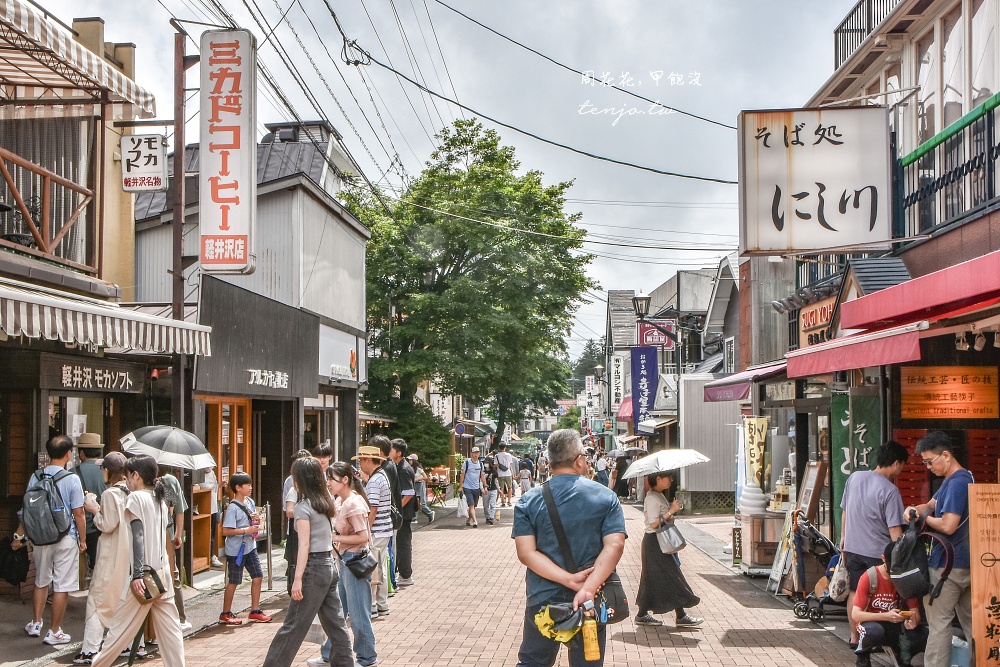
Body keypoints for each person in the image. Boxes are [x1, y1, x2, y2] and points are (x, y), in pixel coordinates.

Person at [512, 429, 627, 667]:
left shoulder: (528, 500)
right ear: (580, 460)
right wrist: (587, 586)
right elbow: (615, 545)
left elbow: (526, 553)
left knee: (534, 662)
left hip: (543, 597)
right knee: (588, 662)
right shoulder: (605, 497)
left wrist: (567, 579)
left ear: (550, 462)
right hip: (589, 599)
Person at [90, 454, 185, 667]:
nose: (127, 481)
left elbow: (138, 536)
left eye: (128, 477)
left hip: (144, 579)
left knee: (117, 634)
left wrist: (137, 574)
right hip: (162, 576)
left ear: (136, 475)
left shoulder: (136, 498)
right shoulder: (160, 497)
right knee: (171, 634)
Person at [261, 458, 354, 667]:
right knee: (336, 625)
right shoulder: (325, 502)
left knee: (293, 626)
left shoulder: (303, 508)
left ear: (300, 479)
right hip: (329, 566)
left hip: (313, 569)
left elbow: (304, 546)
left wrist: (297, 579)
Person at [906, 431, 974, 667]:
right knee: (974, 625)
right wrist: (917, 508)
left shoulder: (957, 483)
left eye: (929, 461)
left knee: (939, 624)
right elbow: (931, 504)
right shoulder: (959, 479)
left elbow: (948, 524)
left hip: (946, 566)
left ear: (945, 455)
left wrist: (921, 518)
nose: (927, 466)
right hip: (966, 564)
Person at [12, 434, 86, 646]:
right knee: (62, 585)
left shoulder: (35, 476)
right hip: (65, 537)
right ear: (68, 454)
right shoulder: (72, 479)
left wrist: (20, 536)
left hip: (40, 537)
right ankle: (54, 631)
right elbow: (79, 512)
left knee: (41, 580)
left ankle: (36, 623)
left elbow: (27, 510)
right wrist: (82, 540)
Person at [308, 462, 378, 667]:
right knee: (336, 613)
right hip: (344, 562)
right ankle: (329, 653)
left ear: (345, 480)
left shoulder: (353, 504)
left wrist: (333, 538)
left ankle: (367, 658)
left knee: (357, 615)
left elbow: (364, 537)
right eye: (327, 478)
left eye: (332, 479)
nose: (328, 483)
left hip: (354, 563)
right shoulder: (341, 500)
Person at [839, 440, 908, 646]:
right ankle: (878, 639)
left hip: (852, 547)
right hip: (877, 553)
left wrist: (843, 537)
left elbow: (844, 510)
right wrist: (899, 556)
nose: (902, 469)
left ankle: (855, 637)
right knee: (882, 595)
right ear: (896, 463)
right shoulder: (890, 491)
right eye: (902, 465)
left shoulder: (854, 477)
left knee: (855, 592)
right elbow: (895, 530)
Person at [73, 452, 131, 664]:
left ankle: (89, 650)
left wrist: (94, 509)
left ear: (107, 470)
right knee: (120, 600)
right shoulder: (131, 491)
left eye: (103, 469)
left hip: (110, 554)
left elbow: (107, 525)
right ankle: (125, 644)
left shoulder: (110, 494)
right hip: (127, 555)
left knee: (97, 601)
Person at [634, 471, 703, 627]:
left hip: (657, 541)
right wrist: (670, 511)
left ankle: (642, 613)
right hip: (655, 542)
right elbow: (652, 523)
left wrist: (670, 514)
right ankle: (681, 615)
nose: (671, 480)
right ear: (658, 479)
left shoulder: (658, 495)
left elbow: (661, 519)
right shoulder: (652, 497)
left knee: (652, 578)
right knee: (672, 575)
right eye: (668, 478)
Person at [852, 542, 927, 667]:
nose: (894, 572)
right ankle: (863, 656)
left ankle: (901, 654)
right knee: (874, 631)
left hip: (896, 625)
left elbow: (916, 613)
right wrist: (886, 616)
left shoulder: (905, 579)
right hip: (872, 624)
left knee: (923, 635)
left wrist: (912, 621)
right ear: (883, 559)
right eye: (892, 567)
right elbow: (856, 615)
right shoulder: (869, 577)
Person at [219, 472, 272, 625]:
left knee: (258, 576)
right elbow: (226, 531)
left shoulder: (249, 501)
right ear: (238, 487)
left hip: (250, 546)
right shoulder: (232, 508)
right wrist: (245, 530)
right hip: (236, 549)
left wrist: (256, 520)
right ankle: (225, 613)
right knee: (234, 581)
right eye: (247, 485)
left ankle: (254, 610)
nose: (250, 487)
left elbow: (253, 522)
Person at [354, 445, 392, 618]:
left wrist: (366, 532)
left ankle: (373, 605)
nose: (360, 463)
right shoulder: (380, 476)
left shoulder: (375, 481)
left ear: (369, 460)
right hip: (384, 529)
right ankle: (381, 603)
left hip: (377, 530)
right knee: (380, 566)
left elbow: (373, 509)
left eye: (361, 460)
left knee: (372, 568)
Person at [160, 468, 192, 631]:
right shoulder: (167, 481)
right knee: (172, 576)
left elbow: (175, 508)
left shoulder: (163, 482)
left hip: (159, 535)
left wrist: (178, 534)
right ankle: (179, 618)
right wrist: (178, 534)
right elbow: (177, 509)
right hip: (166, 534)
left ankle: (177, 618)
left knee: (169, 576)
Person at [283, 449, 314, 592]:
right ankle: (297, 584)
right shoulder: (292, 486)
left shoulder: (318, 486)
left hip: (313, 530)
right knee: (298, 557)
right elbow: (288, 510)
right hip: (297, 529)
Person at [74, 433, 106, 571]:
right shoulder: (107, 471)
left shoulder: (72, 473)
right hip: (104, 525)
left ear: (81, 453)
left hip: (81, 526)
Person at [389, 439, 417, 586]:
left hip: (403, 514)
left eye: (391, 450)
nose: (388, 452)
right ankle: (404, 573)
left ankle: (405, 575)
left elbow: (409, 493)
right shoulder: (400, 466)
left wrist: (397, 509)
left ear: (398, 453)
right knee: (401, 543)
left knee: (403, 543)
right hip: (403, 513)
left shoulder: (404, 469)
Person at [197, 467, 224, 568]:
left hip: (213, 506)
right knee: (207, 533)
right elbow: (203, 486)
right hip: (205, 507)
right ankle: (210, 556)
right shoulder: (199, 472)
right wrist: (215, 485)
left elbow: (213, 487)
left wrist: (218, 485)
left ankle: (212, 555)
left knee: (212, 533)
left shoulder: (212, 472)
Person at [458, 446, 487, 527]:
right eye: (474, 453)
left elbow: (482, 476)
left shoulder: (480, 464)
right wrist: (461, 486)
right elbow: (462, 475)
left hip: (476, 488)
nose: (475, 454)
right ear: (471, 454)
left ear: (479, 454)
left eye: (477, 453)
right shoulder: (467, 463)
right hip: (467, 487)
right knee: (471, 504)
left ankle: (468, 520)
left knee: (473, 506)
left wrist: (485, 486)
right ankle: (475, 521)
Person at [409, 454, 435, 523]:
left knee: (422, 503)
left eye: (411, 460)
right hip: (414, 485)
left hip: (420, 485)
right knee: (415, 501)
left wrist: (417, 479)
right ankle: (414, 518)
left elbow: (425, 477)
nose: (409, 461)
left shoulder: (418, 468)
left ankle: (430, 513)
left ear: (414, 461)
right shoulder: (410, 468)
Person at [482, 454, 500, 525]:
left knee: (493, 504)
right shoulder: (482, 471)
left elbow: (496, 481)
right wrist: (482, 489)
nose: (485, 464)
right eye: (485, 463)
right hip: (485, 491)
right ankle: (487, 517)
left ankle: (491, 518)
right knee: (485, 506)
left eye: (487, 463)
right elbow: (480, 481)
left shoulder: (494, 472)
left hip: (493, 489)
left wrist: (499, 489)